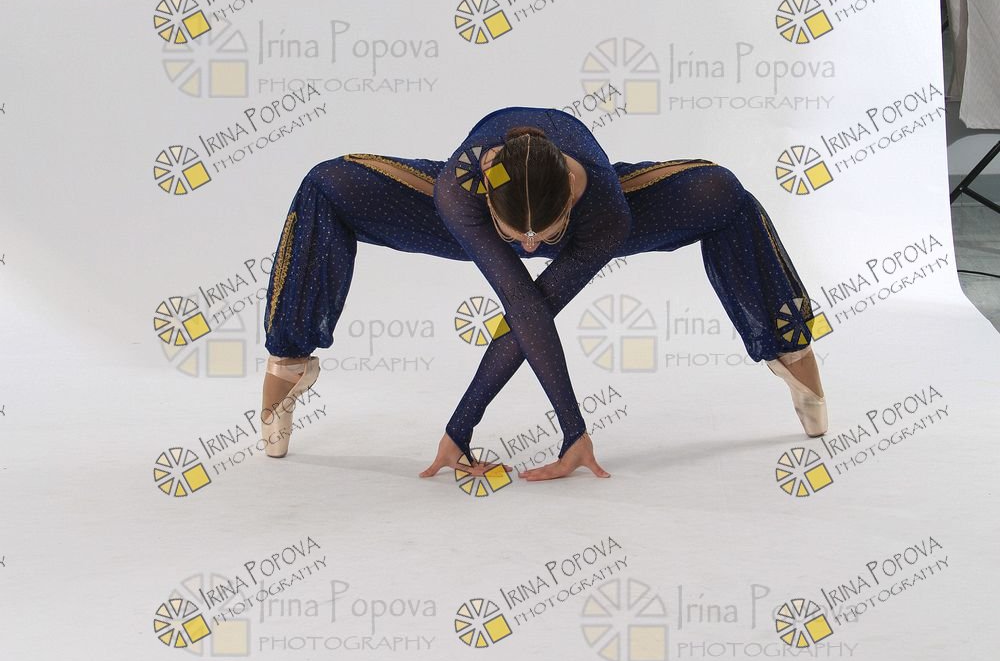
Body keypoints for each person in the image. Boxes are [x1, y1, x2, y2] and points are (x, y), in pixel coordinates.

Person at [259, 105, 827, 479]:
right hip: (458, 216)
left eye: (543, 236)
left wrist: (556, 429)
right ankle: (289, 360)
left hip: (600, 213)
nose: (530, 247)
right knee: (328, 183)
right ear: (489, 203)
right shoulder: (461, 193)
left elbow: (538, 309)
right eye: (518, 237)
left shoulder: (604, 212)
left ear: (571, 200)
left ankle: (791, 350)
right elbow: (521, 302)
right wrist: (465, 428)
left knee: (721, 191)